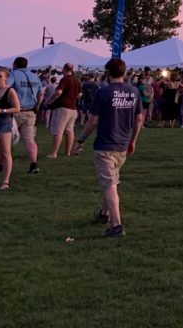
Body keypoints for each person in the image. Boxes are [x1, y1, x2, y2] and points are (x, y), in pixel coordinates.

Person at [73, 58, 144, 238]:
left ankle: (117, 225)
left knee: (110, 184)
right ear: (124, 72)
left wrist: (81, 140)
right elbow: (139, 119)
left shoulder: (103, 92)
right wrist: (133, 141)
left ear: (107, 72)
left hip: (105, 144)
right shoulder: (133, 91)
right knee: (111, 181)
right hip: (122, 145)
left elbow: (93, 120)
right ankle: (104, 215)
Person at [8, 56, 43, 175]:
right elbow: (40, 94)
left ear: (15, 64)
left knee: (6, 137)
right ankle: (33, 163)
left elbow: (6, 88)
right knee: (30, 139)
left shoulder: (13, 74)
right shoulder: (35, 77)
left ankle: (1, 163)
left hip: (15, 111)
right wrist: (37, 106)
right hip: (30, 111)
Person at [46, 63, 82, 158]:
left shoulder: (65, 79)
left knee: (59, 131)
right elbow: (79, 95)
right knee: (70, 130)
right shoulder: (77, 80)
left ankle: (54, 153)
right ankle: (68, 153)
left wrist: (49, 101)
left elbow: (58, 92)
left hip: (63, 108)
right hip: (73, 109)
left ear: (64, 69)